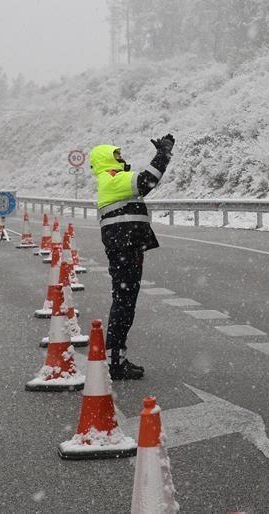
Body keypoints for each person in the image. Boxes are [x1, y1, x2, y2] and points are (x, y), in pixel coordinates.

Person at [91, 137, 174, 380]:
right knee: (124, 302)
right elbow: (146, 181)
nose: (121, 157)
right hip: (124, 248)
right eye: (116, 155)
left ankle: (116, 356)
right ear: (106, 159)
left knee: (124, 301)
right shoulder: (112, 179)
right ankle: (115, 360)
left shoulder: (113, 179)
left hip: (127, 247)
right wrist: (163, 155)